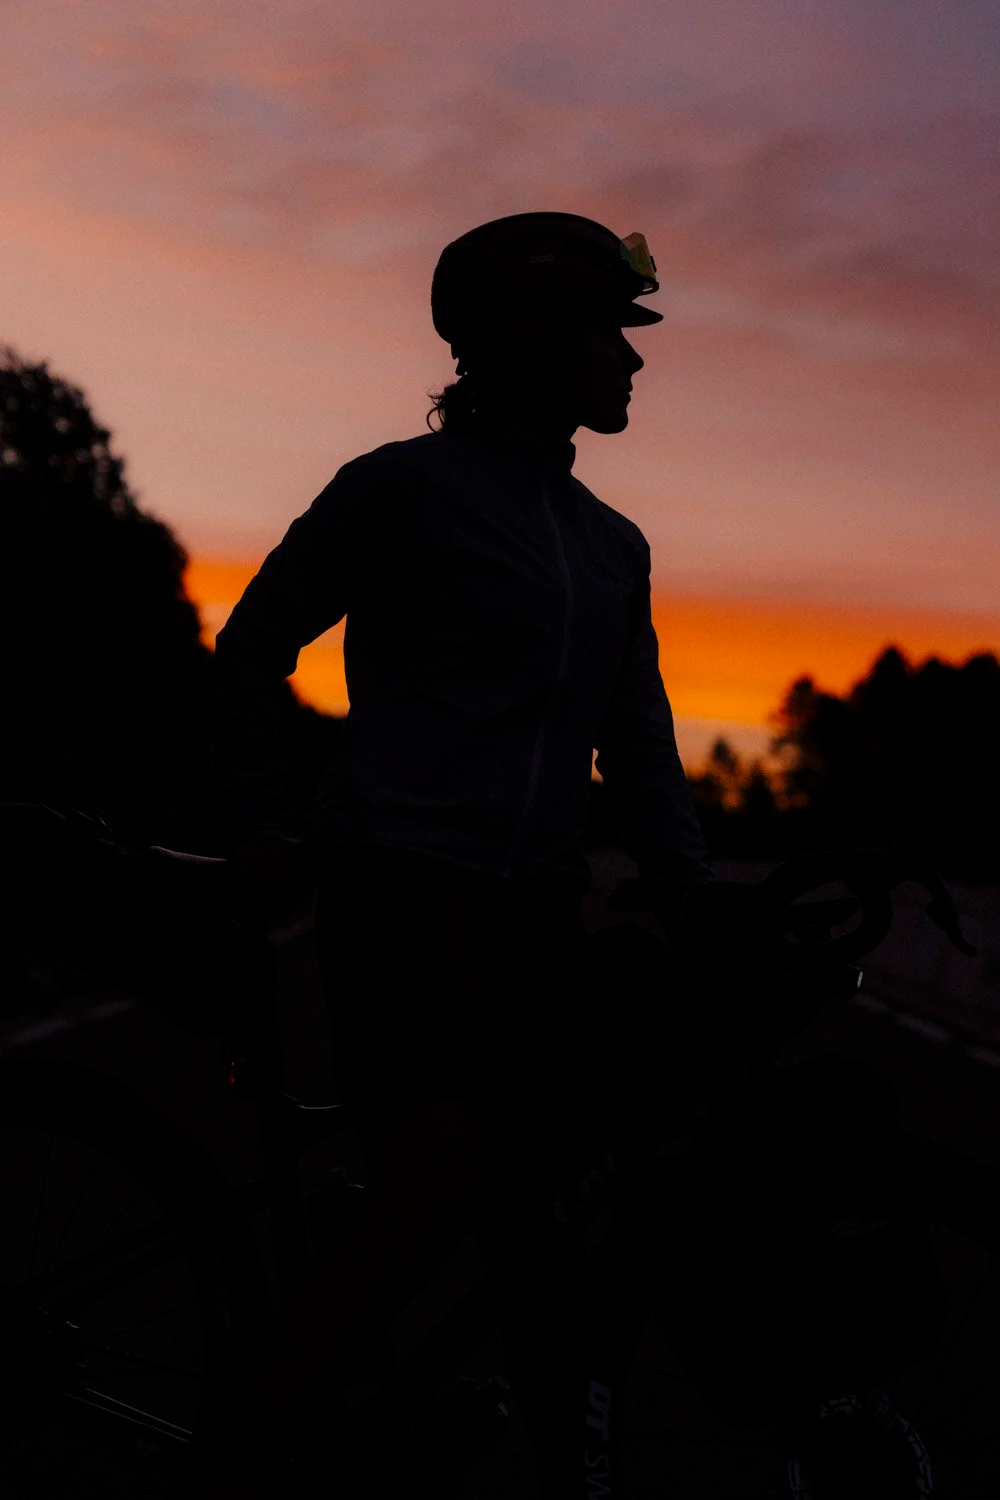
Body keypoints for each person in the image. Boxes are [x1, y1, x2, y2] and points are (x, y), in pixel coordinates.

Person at [205, 211, 714, 1497]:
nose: (636, 362)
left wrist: (688, 887)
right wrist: (257, 822)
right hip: (399, 885)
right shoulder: (404, 487)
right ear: (536, 343)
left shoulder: (613, 547)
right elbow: (255, 646)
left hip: (533, 912)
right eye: (614, 333)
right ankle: (239, 1462)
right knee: (436, 1181)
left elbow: (638, 741)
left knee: (551, 1231)